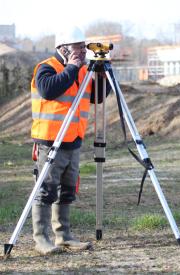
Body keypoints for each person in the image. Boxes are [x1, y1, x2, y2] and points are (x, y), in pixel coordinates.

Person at [30, 26, 110, 255]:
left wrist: (103, 73)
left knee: (67, 190)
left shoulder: (83, 71)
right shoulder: (46, 68)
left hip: (73, 139)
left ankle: (63, 236)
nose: (83, 51)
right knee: (46, 189)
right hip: (50, 141)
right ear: (63, 48)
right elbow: (49, 90)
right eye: (78, 47)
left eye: (84, 47)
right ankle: (41, 239)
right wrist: (73, 67)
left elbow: (96, 96)